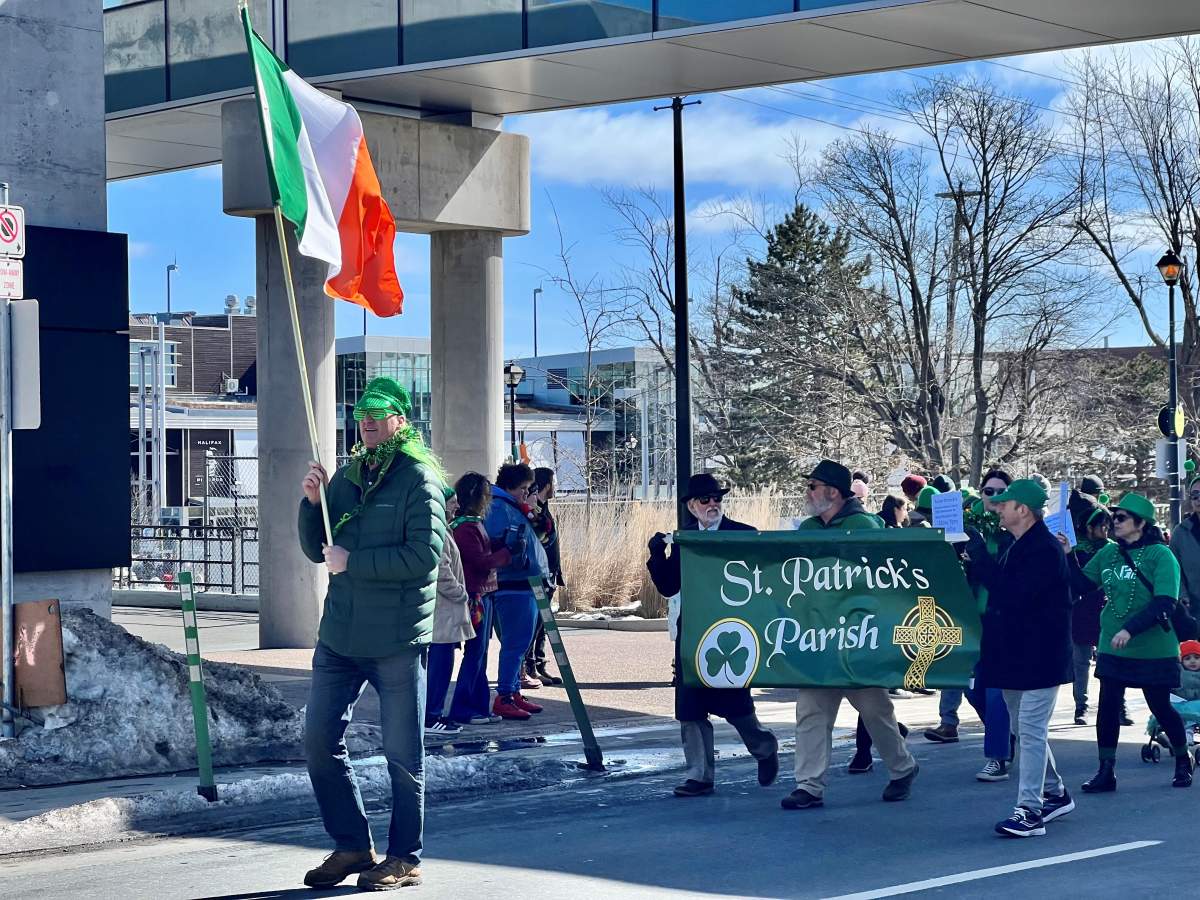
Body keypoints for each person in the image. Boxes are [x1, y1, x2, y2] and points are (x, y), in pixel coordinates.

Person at [298, 377, 446, 890]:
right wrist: (311, 501)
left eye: (379, 411)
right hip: (339, 636)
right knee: (318, 742)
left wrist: (353, 562)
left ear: (401, 420)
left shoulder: (419, 479)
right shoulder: (347, 476)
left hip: (396, 640)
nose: (367, 418)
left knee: (403, 756)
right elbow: (316, 546)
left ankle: (405, 856)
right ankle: (352, 845)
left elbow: (424, 557)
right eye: (361, 410)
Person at [782, 459, 918, 810]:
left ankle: (902, 768)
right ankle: (809, 785)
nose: (807, 492)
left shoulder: (867, 526)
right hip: (820, 640)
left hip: (858, 640)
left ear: (832, 491)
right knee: (811, 711)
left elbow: (885, 577)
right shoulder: (808, 528)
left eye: (813, 486)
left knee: (875, 710)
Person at [646, 473, 780, 798]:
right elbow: (669, 586)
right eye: (705, 500)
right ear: (692, 506)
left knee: (736, 705)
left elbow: (763, 578)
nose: (713, 505)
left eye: (717, 498)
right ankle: (699, 775)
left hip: (730, 632)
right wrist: (656, 556)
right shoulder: (685, 539)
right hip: (693, 633)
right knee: (689, 707)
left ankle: (764, 748)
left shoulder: (743, 535)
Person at [1062, 493, 1194, 792]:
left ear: (1141, 523)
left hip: (1153, 647)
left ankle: (1182, 758)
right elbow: (1081, 585)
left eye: (1120, 518)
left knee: (1160, 706)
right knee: (1107, 705)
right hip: (1112, 643)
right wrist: (1068, 554)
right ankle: (1106, 770)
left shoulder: (1162, 556)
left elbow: (1164, 603)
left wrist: (1130, 631)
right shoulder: (1108, 553)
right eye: (1113, 517)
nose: (1114, 523)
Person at [964, 478, 1075, 837]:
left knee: (1029, 730)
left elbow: (1015, 595)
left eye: (1005, 503)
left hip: (1041, 655)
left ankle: (1029, 810)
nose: (998, 506)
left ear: (1022, 510)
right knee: (1022, 728)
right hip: (1014, 651)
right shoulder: (1020, 543)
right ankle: (1055, 792)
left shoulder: (1043, 548)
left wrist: (980, 560)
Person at [927, 469, 1015, 787]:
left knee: (995, 692)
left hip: (1002, 620)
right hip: (968, 618)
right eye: (987, 490)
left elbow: (1003, 575)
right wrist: (949, 544)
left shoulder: (1015, 530)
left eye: (1000, 491)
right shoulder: (968, 523)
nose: (992, 496)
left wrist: (975, 547)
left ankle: (997, 757)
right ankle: (1004, 736)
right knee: (970, 688)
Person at [446, 472, 516, 726]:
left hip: (479, 594)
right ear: (479, 497)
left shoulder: (468, 524)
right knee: (475, 654)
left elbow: (480, 554)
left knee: (480, 654)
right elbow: (479, 562)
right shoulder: (467, 527)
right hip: (476, 596)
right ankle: (465, 709)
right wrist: (506, 552)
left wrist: (498, 544)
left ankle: (477, 706)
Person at [485, 462, 548, 721]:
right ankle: (505, 696)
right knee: (515, 643)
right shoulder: (500, 508)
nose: (527, 492)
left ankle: (512, 691)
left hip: (523, 582)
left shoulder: (509, 506)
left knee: (520, 643)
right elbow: (498, 542)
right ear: (510, 487)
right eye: (523, 488)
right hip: (514, 584)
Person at [424, 487, 473, 736]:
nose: (456, 507)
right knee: (440, 666)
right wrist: (461, 594)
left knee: (441, 664)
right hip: (443, 614)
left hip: (445, 613)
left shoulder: (444, 529)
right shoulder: (439, 531)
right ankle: (431, 716)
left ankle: (433, 713)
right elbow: (442, 571)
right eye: (452, 502)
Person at [1070, 509, 1113, 726]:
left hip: (1106, 609)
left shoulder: (1113, 550)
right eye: (1102, 526)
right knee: (1081, 661)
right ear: (1089, 528)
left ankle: (1118, 705)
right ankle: (1081, 706)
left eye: (1108, 525)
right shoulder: (1075, 549)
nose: (1106, 530)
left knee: (1111, 661)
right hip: (1081, 612)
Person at [524, 467, 565, 688]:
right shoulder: (534, 513)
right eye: (553, 482)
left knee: (543, 625)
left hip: (550, 574)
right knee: (536, 623)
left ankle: (539, 664)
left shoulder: (544, 509)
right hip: (539, 576)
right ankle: (529, 666)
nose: (556, 487)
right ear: (546, 485)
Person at [1169, 475, 1200, 618]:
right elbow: (1174, 570)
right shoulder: (1180, 532)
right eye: (1195, 495)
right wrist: (1182, 596)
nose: (1198, 498)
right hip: (1195, 610)